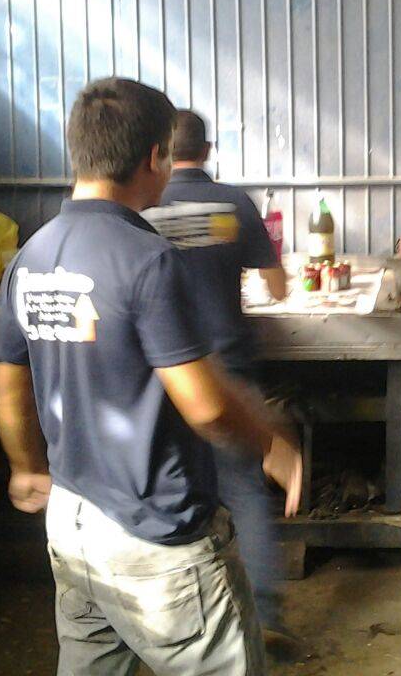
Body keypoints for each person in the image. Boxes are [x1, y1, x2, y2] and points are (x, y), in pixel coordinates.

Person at [0, 77, 303, 676]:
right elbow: (204, 405)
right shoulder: (147, 259)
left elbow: (8, 384)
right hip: (154, 534)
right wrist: (270, 444)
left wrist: (26, 466)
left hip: (73, 523)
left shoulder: (31, 257)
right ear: (154, 157)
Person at [145, 110, 296, 651]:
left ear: (163, 152)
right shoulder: (234, 203)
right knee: (246, 493)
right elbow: (277, 289)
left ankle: (181, 625)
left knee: (170, 495)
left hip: (164, 380)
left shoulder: (145, 205)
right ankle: (266, 614)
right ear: (206, 151)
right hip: (227, 372)